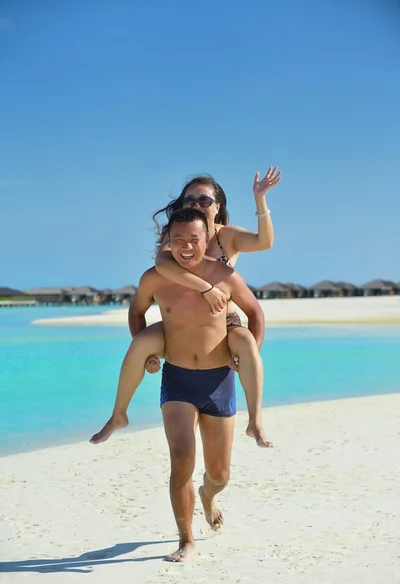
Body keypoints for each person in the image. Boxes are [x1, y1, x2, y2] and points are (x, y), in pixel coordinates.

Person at [107, 207, 272, 562]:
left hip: (219, 382)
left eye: (193, 239)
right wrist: (149, 353)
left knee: (219, 474)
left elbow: (256, 312)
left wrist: (248, 353)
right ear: (168, 240)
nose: (186, 246)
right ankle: (186, 540)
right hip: (178, 380)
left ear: (207, 239)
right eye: (178, 239)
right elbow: (137, 311)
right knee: (181, 458)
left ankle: (208, 496)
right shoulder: (154, 278)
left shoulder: (226, 276)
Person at [90, 166, 281, 446]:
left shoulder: (227, 236)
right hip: (179, 323)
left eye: (204, 200)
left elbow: (265, 242)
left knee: (248, 343)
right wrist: (206, 288)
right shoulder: (176, 234)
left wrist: (260, 199)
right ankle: (118, 415)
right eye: (190, 200)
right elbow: (162, 263)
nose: (197, 205)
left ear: (217, 207)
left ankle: (255, 422)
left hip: (223, 323)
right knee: (140, 344)